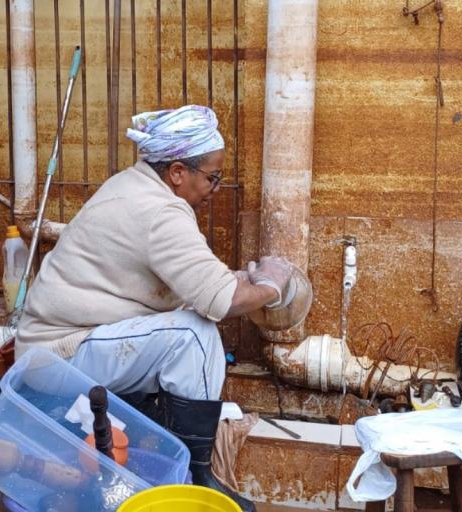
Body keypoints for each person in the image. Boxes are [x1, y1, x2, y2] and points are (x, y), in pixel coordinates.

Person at [15, 105, 291, 512]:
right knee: (194, 334)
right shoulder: (162, 211)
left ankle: (170, 452)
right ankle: (199, 476)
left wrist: (236, 278)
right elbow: (221, 300)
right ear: (178, 172)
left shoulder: (134, 184)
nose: (215, 188)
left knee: (188, 327)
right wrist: (271, 285)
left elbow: (192, 275)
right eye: (212, 177)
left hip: (63, 346)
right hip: (58, 356)